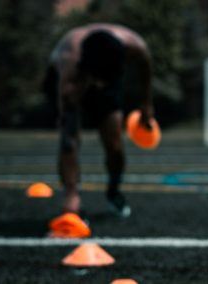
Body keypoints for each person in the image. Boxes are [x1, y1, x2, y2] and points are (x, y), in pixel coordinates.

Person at [43, 23, 154, 218]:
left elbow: (145, 66)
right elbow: (68, 136)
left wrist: (146, 104)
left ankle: (114, 189)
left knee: (115, 144)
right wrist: (71, 197)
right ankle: (71, 195)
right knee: (70, 138)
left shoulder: (133, 45)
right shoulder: (69, 60)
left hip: (100, 68)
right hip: (72, 79)